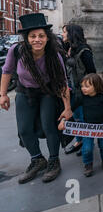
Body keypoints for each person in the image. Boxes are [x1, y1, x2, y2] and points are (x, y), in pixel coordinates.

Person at [0, 13, 72, 184]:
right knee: (24, 130)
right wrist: (2, 94)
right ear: (26, 38)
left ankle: (54, 161)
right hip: (25, 93)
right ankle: (38, 160)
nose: (37, 40)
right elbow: (7, 71)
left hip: (47, 92)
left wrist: (67, 108)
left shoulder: (54, 55)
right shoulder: (16, 51)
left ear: (47, 38)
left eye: (41, 36)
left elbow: (62, 82)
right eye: (32, 36)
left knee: (49, 127)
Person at [59, 74, 103, 177]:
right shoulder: (81, 98)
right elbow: (71, 109)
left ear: (96, 86)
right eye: (82, 86)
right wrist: (63, 120)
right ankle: (88, 164)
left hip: (101, 126)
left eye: (87, 86)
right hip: (87, 127)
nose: (83, 89)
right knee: (87, 148)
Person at [62, 24, 97, 155]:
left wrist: (87, 90)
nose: (62, 34)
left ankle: (87, 146)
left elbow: (92, 72)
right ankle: (80, 141)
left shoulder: (84, 51)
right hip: (72, 90)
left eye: (64, 32)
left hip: (83, 91)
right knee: (76, 118)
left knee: (83, 119)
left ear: (72, 34)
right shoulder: (69, 48)